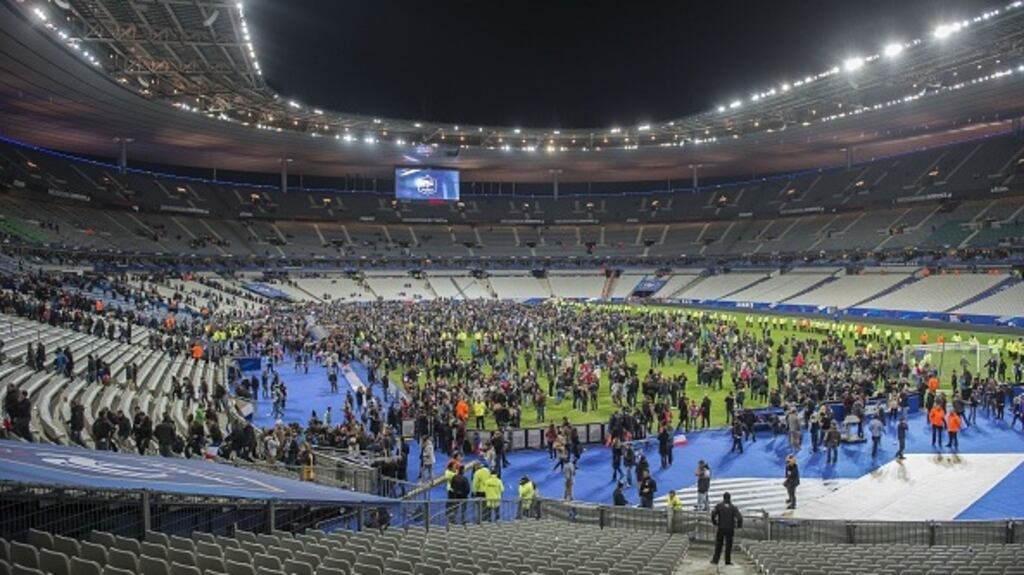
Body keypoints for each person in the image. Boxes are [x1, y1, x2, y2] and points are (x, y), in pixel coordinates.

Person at [711, 492, 743, 566]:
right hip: (730, 529)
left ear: (723, 498)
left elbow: (713, 514)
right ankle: (727, 561)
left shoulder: (719, 506)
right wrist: (739, 525)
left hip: (721, 528)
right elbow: (740, 517)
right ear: (730, 498)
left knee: (718, 544)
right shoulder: (733, 507)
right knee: (728, 545)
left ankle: (715, 560)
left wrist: (714, 522)